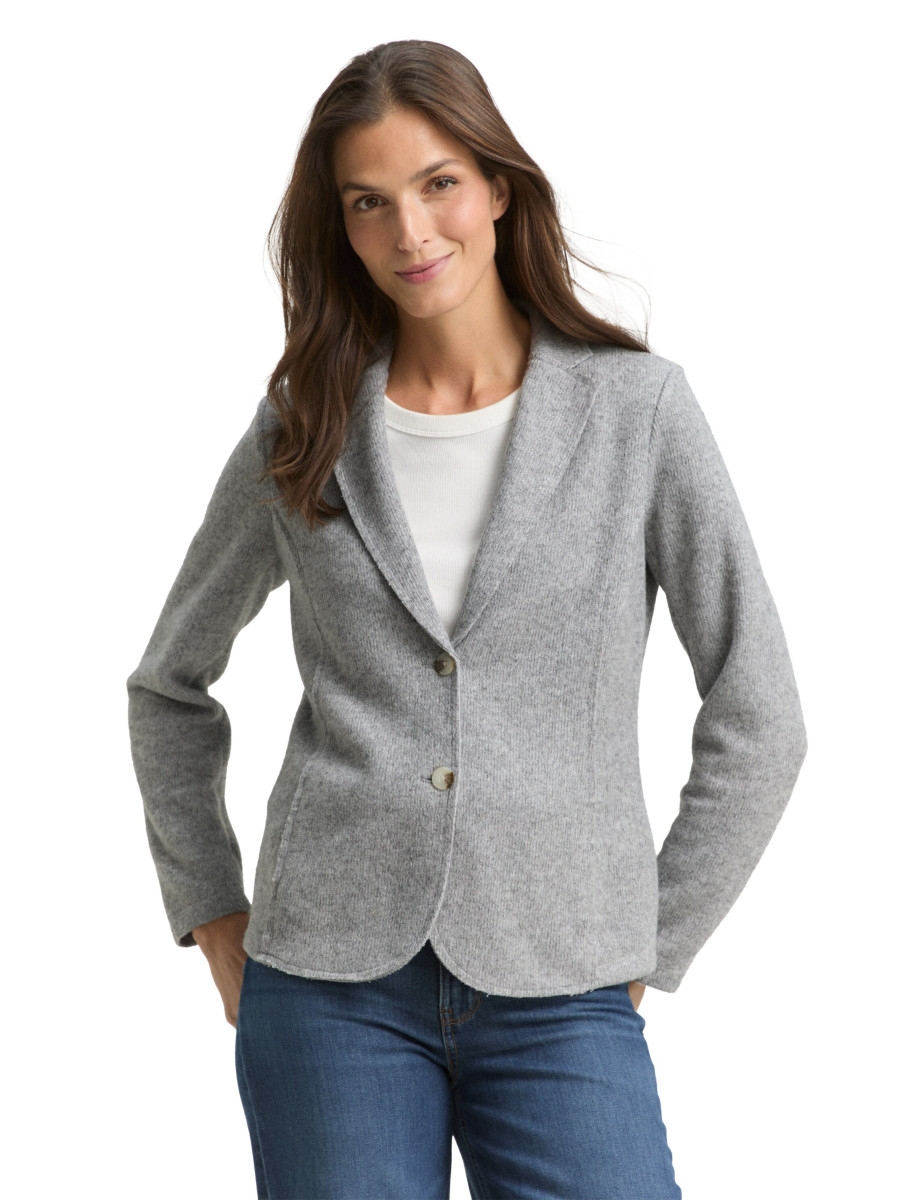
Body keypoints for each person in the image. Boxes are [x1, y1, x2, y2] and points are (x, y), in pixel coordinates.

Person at [126, 38, 807, 1200]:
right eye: (368, 202)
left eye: (437, 183)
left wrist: (649, 941)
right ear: (341, 230)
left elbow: (759, 713)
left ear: (497, 187)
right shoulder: (303, 425)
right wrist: (212, 910)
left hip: (562, 981)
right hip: (325, 983)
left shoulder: (635, 412)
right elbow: (168, 687)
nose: (410, 231)